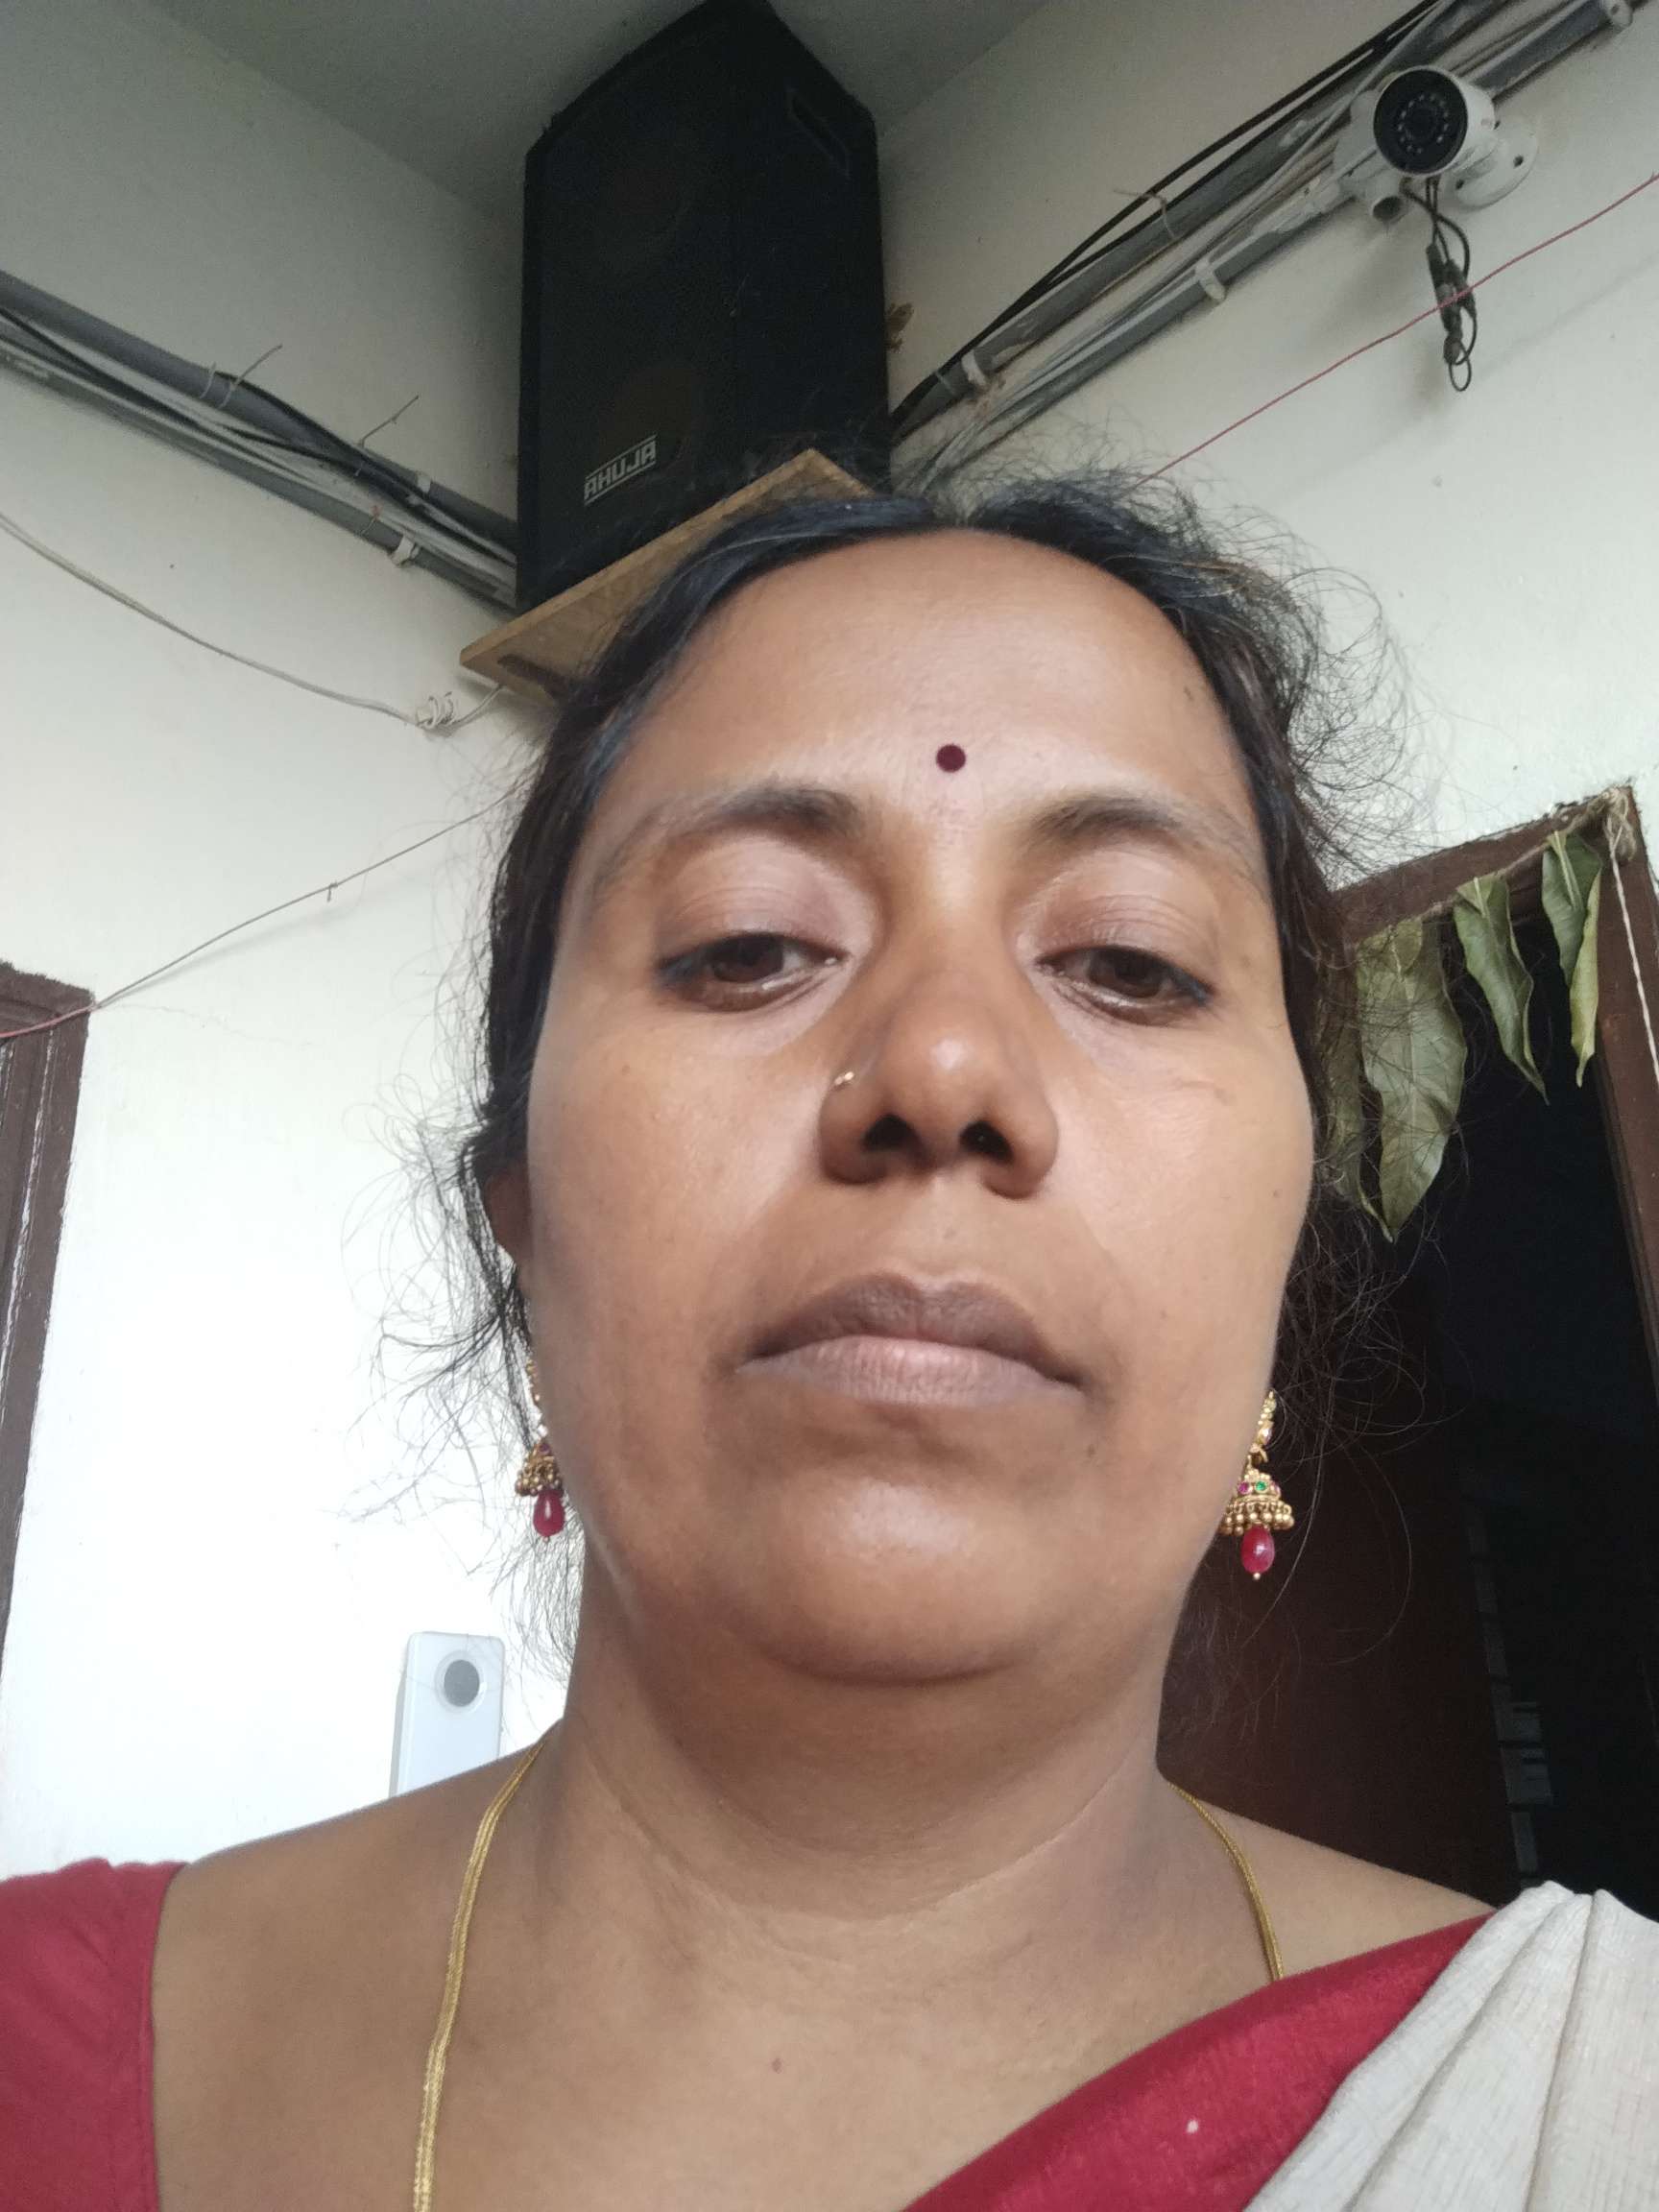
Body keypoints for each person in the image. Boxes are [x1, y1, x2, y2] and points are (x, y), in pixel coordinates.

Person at [2, 473, 1654, 2212]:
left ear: (1283, 1243)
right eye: (749, 944)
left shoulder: (1590, 2115)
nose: (940, 1068)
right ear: (524, 1224)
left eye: (1130, 960)